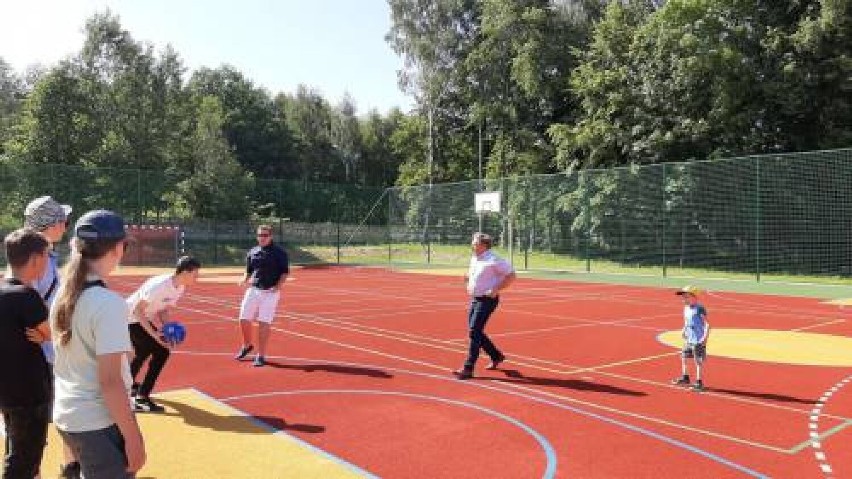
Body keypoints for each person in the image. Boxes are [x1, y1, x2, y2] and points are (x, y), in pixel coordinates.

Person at [50, 210, 146, 478]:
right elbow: (110, 382)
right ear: (118, 248)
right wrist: (134, 437)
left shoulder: (64, 293)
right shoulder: (108, 304)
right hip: (97, 422)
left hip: (68, 414)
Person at [22, 195, 82, 479]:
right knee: (37, 422)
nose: (66, 226)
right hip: (41, 355)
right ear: (53, 224)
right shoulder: (39, 257)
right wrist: (45, 330)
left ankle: (69, 467)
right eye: (64, 221)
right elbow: (28, 301)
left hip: (45, 352)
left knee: (59, 414)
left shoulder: (40, 254)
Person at [0, 228, 52, 478]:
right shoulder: (27, 296)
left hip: (7, 390)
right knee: (25, 459)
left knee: (15, 449)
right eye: (47, 256)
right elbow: (53, 333)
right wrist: (46, 333)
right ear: (35, 259)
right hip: (29, 393)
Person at [126, 255, 201, 412]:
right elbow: (137, 311)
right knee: (162, 351)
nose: (197, 277)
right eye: (195, 274)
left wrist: (168, 329)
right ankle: (142, 397)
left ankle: (128, 387)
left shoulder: (179, 287)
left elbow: (163, 310)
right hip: (128, 318)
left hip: (141, 318)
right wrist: (156, 335)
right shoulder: (159, 285)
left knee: (142, 352)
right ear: (185, 272)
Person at [454, 232, 516, 380]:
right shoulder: (475, 258)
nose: (472, 245)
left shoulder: (494, 259)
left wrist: (495, 289)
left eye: (475, 243)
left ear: (484, 245)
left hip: (487, 300)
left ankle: (468, 368)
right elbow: (476, 275)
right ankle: (496, 356)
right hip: (476, 298)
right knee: (475, 331)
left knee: (474, 331)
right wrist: (468, 279)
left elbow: (511, 275)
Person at [234, 224, 289, 367]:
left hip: (270, 292)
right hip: (253, 290)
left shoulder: (280, 253)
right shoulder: (253, 252)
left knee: (264, 323)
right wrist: (244, 279)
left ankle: (261, 355)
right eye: (260, 235)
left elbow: (284, 272)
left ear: (271, 236)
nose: (262, 238)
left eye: (265, 235)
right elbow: (249, 270)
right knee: (243, 319)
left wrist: (278, 286)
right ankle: (247, 345)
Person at [671, 285, 711, 392]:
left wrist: (704, 338)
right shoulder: (686, 308)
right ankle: (685, 377)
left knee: (698, 361)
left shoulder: (700, 308)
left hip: (698, 339)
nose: (684, 299)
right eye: (683, 297)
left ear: (694, 297)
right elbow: (687, 322)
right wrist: (684, 330)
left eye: (686, 296)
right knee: (684, 357)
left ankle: (699, 382)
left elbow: (707, 324)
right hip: (689, 338)